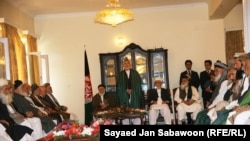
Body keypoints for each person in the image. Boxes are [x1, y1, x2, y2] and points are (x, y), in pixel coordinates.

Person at [116, 57, 143, 125]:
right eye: (125, 63)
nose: (126, 65)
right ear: (123, 65)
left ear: (130, 64)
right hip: (124, 95)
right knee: (125, 115)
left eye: (128, 63)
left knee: (136, 116)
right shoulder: (120, 75)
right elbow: (119, 86)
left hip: (134, 96)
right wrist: (125, 91)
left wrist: (133, 91)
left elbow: (138, 85)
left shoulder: (135, 73)